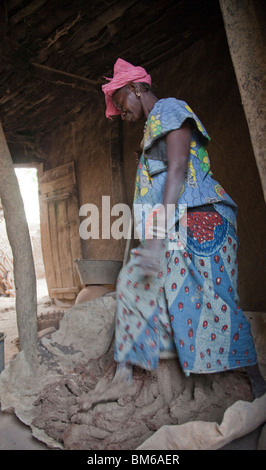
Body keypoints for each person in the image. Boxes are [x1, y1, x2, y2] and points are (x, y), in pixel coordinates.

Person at [78, 59, 265, 411]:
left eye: (121, 103)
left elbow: (178, 169)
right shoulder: (153, 126)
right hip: (176, 226)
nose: (121, 112)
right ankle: (123, 377)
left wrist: (159, 234)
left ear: (137, 88)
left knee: (217, 299)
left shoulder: (169, 109)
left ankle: (256, 380)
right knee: (137, 282)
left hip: (200, 221)